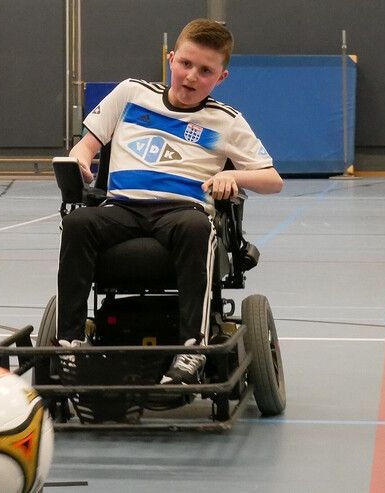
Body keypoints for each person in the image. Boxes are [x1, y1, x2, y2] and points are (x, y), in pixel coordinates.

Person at [56, 18, 283, 385]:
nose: (192, 77)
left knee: (197, 227)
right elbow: (87, 142)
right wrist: (80, 156)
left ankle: (192, 347)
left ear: (220, 78)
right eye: (186, 64)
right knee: (79, 223)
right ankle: (70, 342)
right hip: (122, 209)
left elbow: (273, 181)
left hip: (182, 212)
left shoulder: (226, 121)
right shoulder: (131, 93)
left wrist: (234, 175)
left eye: (205, 71)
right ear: (171, 58)